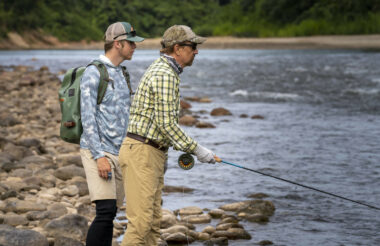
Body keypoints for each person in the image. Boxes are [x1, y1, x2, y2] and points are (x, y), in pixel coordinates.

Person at [118, 25, 216, 246]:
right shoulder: (164, 74)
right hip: (142, 153)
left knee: (152, 224)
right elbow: (166, 125)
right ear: (178, 48)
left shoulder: (166, 71)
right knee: (141, 224)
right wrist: (199, 150)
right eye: (193, 46)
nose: (197, 51)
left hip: (149, 152)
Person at [80, 21, 144, 246]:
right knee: (105, 211)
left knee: (111, 213)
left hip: (121, 152)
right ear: (118, 44)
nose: (135, 47)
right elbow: (87, 118)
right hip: (97, 150)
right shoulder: (93, 72)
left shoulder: (122, 73)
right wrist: (99, 157)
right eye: (131, 44)